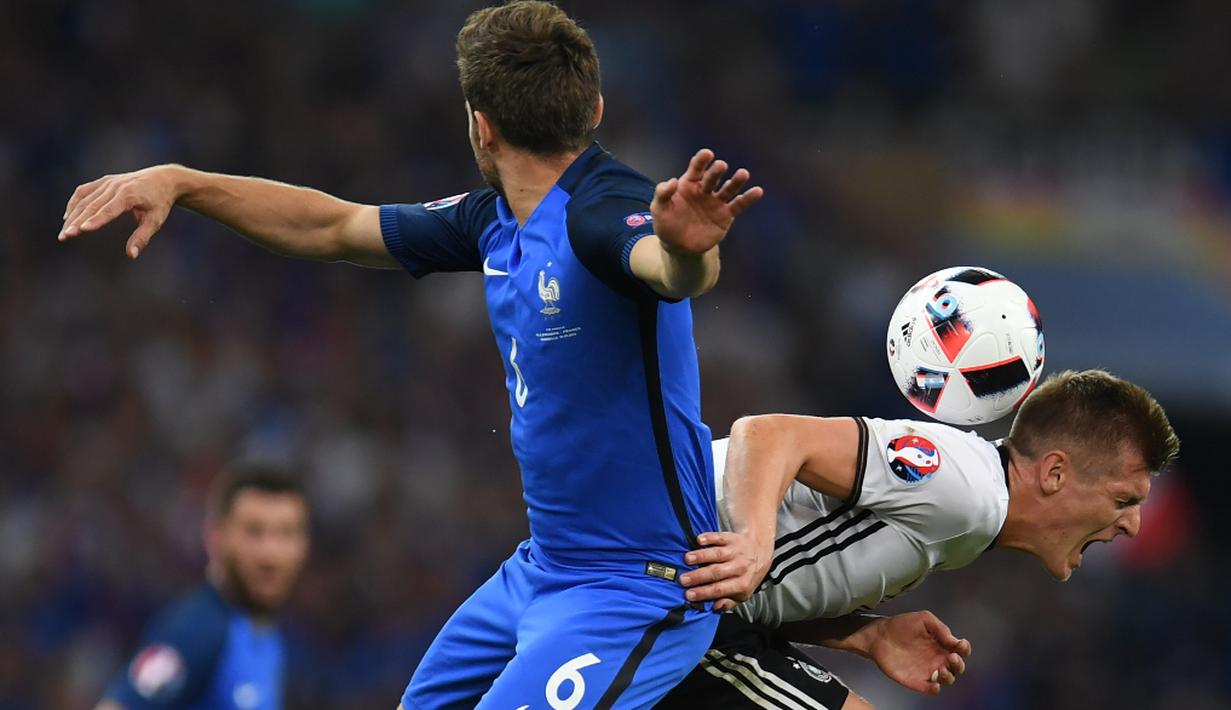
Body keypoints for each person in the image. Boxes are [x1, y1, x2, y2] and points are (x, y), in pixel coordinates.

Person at [61, 3, 764, 706]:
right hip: (542, 570)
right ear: (595, 108)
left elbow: (666, 272)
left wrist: (684, 249)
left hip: (630, 586)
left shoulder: (603, 209)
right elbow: (333, 226)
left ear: (479, 125)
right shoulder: (493, 220)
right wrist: (183, 183)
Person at [656, 369, 1179, 709]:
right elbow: (768, 434)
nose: (1131, 525)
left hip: (694, 594)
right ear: (1056, 474)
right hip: (654, 575)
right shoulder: (965, 488)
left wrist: (865, 635)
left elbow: (770, 583)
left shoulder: (975, 515)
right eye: (1122, 500)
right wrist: (752, 539)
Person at [96, 464, 310, 710]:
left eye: (286, 533)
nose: (270, 555)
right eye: (254, 532)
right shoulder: (196, 632)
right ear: (216, 538)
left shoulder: (265, 635)